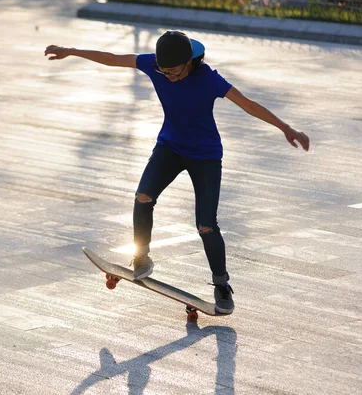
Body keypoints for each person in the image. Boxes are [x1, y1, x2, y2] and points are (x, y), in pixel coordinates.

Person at [45, 31, 310, 314]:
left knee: (206, 225)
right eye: (163, 71)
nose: (167, 76)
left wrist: (286, 128)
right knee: (143, 196)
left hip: (205, 156)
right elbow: (112, 58)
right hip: (169, 147)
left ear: (189, 62)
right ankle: (141, 256)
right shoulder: (153, 65)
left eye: (173, 72)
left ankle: (221, 284)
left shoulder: (209, 79)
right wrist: (71, 50)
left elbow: (248, 104)